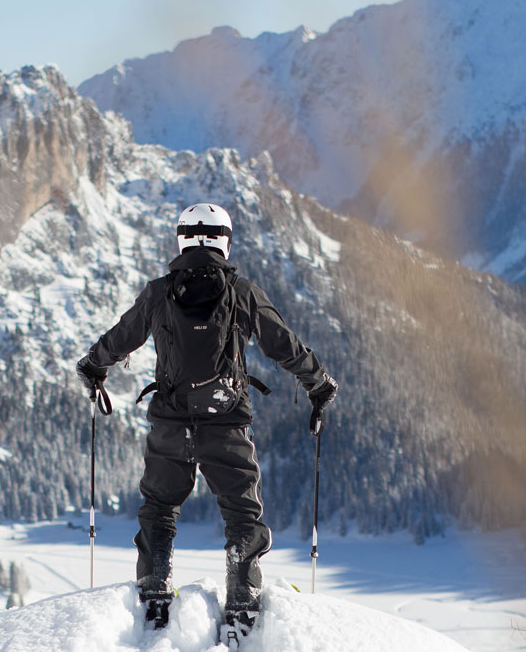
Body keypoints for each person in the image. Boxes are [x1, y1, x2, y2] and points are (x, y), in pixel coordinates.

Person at [77, 202, 337, 628]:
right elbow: (283, 345)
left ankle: (155, 592)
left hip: (170, 423)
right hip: (227, 421)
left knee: (160, 507)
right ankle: (242, 601)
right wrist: (318, 383)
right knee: (241, 514)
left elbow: (121, 337)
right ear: (225, 241)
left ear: (182, 239)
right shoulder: (242, 293)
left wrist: (93, 365)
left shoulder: (159, 292)